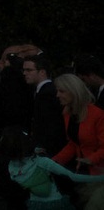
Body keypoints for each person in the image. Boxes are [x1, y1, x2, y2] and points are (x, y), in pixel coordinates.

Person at [0, 125, 104, 210]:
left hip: (34, 205)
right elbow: (73, 176)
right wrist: (100, 178)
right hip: (56, 203)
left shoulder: (11, 170)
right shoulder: (42, 162)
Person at [53, 73, 104, 210]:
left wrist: (90, 159)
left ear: (73, 91)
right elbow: (73, 143)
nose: (57, 95)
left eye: (61, 91)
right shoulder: (68, 113)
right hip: (82, 173)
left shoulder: (97, 115)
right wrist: (56, 161)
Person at [26, 55, 67, 157]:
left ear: (42, 72)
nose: (24, 73)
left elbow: (49, 124)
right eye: (24, 70)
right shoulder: (43, 91)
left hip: (49, 150)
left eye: (29, 70)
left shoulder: (47, 93)